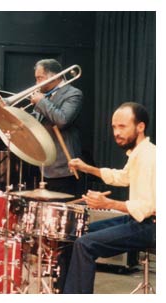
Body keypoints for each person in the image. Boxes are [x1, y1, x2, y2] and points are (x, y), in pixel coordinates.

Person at [63, 102, 155, 293]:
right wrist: (87, 168)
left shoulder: (150, 157)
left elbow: (146, 207)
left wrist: (107, 204)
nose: (116, 132)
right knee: (73, 235)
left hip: (151, 226)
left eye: (122, 126)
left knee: (85, 244)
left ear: (140, 127)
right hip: (140, 221)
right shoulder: (139, 153)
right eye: (114, 127)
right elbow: (123, 177)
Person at [30, 59, 83, 195]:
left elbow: (62, 120)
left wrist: (41, 102)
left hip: (64, 168)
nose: (36, 83)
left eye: (39, 78)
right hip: (45, 166)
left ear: (55, 76)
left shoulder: (73, 94)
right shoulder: (44, 96)